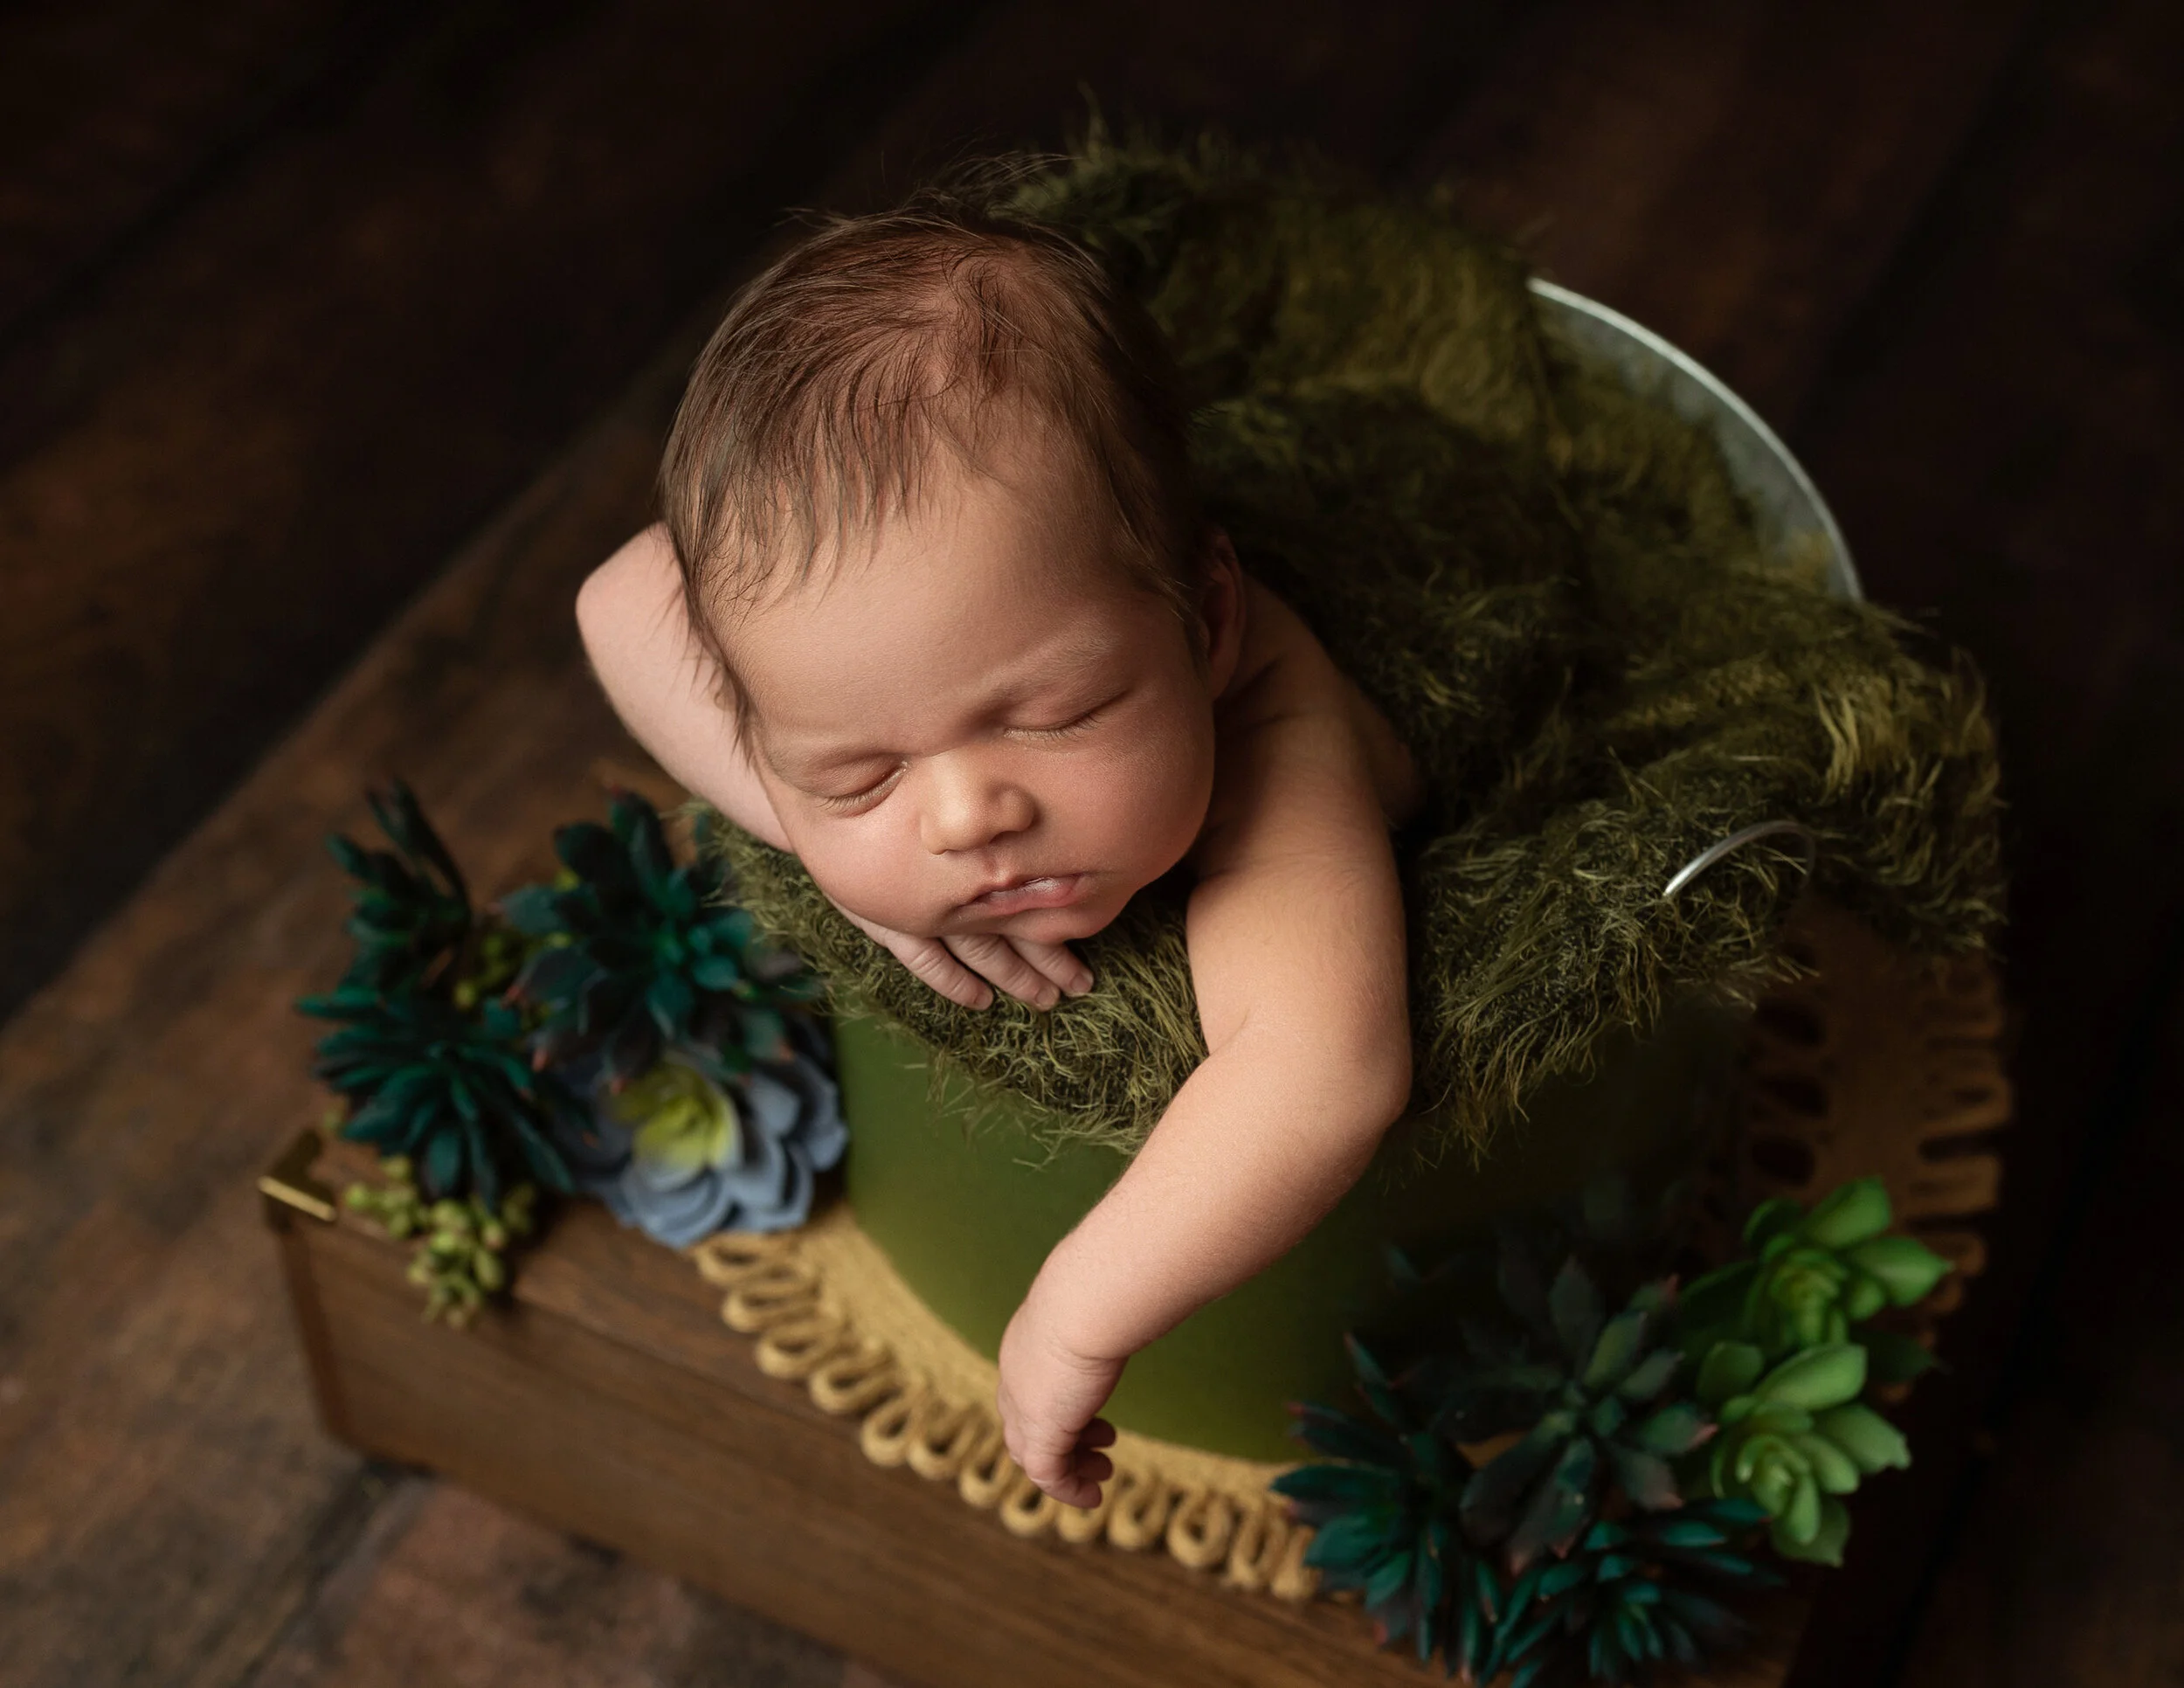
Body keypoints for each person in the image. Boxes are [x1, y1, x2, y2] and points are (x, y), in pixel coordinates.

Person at [577, 190, 1418, 1507]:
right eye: (862, 767)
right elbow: (617, 600)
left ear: (1207, 624)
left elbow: (1321, 1074)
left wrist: (1075, 1313)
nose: (968, 817)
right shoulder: (874, 694)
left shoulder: (1273, 742)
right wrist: (821, 836)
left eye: (1058, 716)